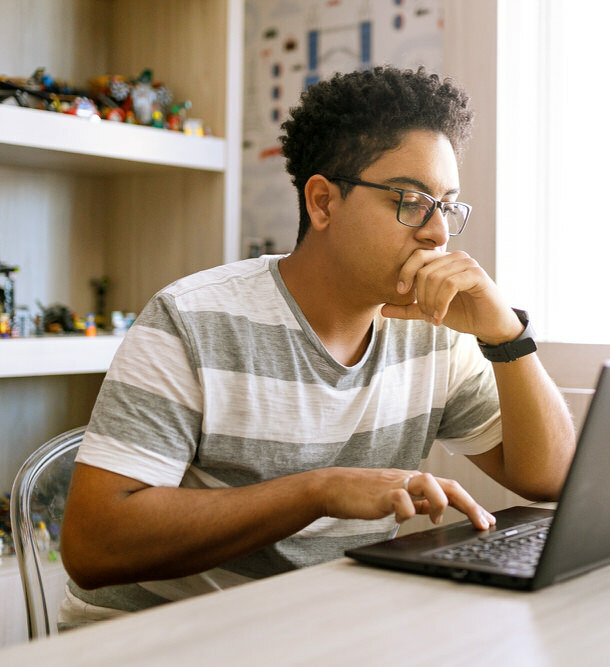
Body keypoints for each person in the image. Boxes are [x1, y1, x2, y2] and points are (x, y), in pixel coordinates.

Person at [59, 66, 576, 626]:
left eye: (446, 205)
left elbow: (546, 478)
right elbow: (94, 548)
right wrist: (319, 491)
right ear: (323, 203)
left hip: (322, 630)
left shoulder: (434, 332)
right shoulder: (192, 319)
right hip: (160, 641)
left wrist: (506, 338)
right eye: (411, 200)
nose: (437, 234)